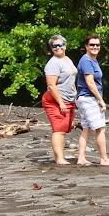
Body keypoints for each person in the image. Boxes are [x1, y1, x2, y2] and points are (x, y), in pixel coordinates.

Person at [74, 35, 109, 167]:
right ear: (86, 46)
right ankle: (104, 159)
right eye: (92, 45)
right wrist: (101, 100)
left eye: (97, 45)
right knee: (100, 128)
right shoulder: (87, 61)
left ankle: (81, 158)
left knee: (86, 128)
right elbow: (90, 82)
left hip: (85, 98)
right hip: (88, 99)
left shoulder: (92, 60)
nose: (95, 47)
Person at [41, 35, 78, 166]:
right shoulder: (53, 63)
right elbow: (51, 85)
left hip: (68, 98)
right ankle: (60, 159)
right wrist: (61, 102)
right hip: (55, 100)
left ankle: (59, 157)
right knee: (59, 130)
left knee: (64, 130)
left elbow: (71, 78)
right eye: (54, 46)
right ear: (51, 49)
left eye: (60, 45)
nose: (58, 48)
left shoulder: (67, 59)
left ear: (65, 45)